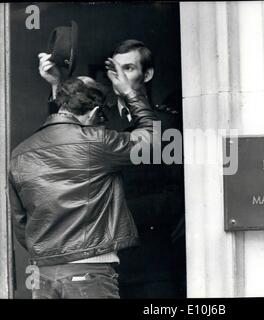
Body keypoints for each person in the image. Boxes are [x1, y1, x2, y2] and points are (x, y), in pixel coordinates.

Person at [39, 39, 186, 298]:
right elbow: (63, 139)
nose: (119, 77)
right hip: (99, 266)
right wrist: (55, 85)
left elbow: (178, 197)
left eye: (128, 68)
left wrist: (116, 212)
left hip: (151, 265)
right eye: (114, 70)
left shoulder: (168, 123)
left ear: (147, 74)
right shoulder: (97, 120)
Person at [9, 56, 158, 298]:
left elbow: (20, 222)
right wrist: (131, 93)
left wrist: (51, 253)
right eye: (101, 118)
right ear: (97, 112)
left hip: (43, 275)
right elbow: (154, 141)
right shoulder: (96, 141)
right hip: (89, 270)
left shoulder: (20, 153)